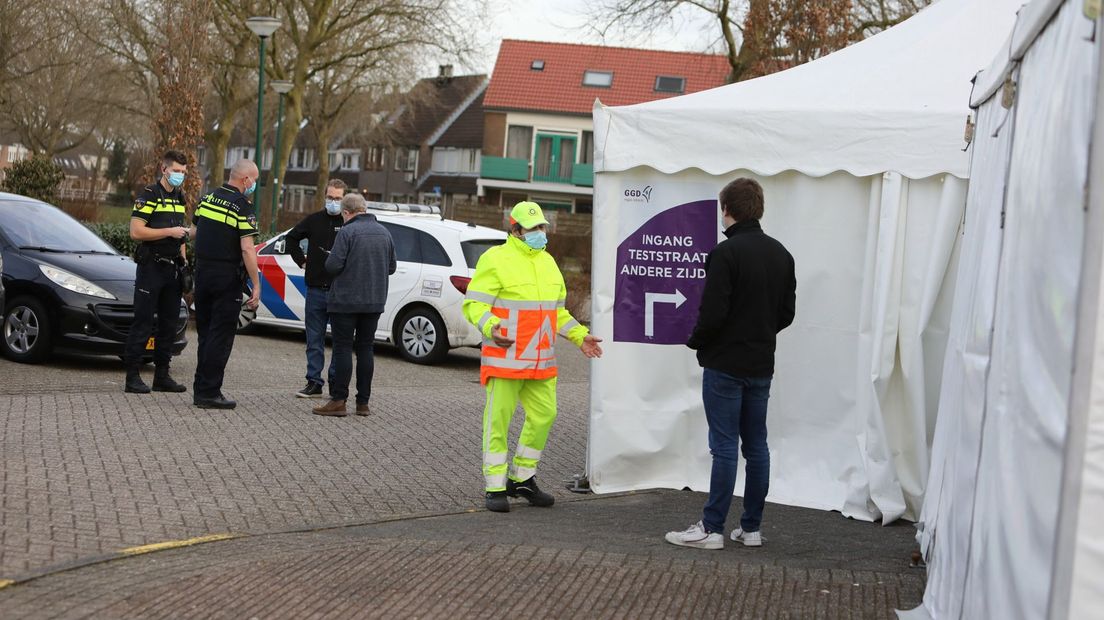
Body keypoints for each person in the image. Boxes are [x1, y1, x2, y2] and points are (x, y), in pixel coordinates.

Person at [665, 178, 796, 550]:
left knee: (724, 447)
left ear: (728, 210)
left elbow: (713, 313)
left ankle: (711, 528)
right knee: (757, 447)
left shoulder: (725, 253)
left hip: (724, 365)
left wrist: (696, 341)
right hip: (760, 365)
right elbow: (787, 313)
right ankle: (751, 529)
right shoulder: (781, 254)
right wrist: (759, 330)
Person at [462, 201, 603, 513]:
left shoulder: (549, 263)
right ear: (515, 230)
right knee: (497, 423)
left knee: (544, 416)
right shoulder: (495, 259)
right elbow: (474, 304)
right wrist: (490, 326)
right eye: (534, 228)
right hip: (506, 359)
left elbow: (558, 313)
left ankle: (522, 479)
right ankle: (495, 486)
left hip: (541, 362)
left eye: (542, 227)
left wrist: (580, 336)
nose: (541, 233)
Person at [312, 193, 395, 417]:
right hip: (374, 301)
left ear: (347, 212)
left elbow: (332, 265)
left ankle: (339, 400)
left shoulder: (347, 232)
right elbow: (391, 267)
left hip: (345, 301)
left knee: (343, 348)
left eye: (342, 215)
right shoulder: (385, 233)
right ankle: (363, 403)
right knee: (366, 348)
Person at [190, 159, 262, 410]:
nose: (254, 185)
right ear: (246, 180)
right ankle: (210, 393)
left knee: (206, 334)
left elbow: (194, 232)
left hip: (203, 274)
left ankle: (200, 389)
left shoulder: (207, 198)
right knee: (220, 336)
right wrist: (256, 283)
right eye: (254, 180)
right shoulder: (242, 207)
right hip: (226, 278)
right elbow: (247, 249)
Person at [123, 150, 191, 394]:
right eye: (176, 171)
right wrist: (168, 233)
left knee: (169, 324)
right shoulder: (149, 195)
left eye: (183, 172)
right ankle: (132, 376)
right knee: (142, 322)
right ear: (164, 170)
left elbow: (181, 232)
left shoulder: (180, 198)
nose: (180, 176)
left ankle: (162, 375)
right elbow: (136, 231)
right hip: (151, 267)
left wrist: (184, 263)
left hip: (172, 269)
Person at [287, 179, 347, 398]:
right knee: (314, 339)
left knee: (340, 341)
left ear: (344, 199)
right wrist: (302, 261)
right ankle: (314, 382)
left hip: (339, 291)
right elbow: (291, 238)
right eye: (330, 197)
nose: (333, 202)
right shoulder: (314, 220)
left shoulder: (348, 222)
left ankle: (334, 382)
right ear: (324, 197)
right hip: (315, 289)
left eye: (338, 198)